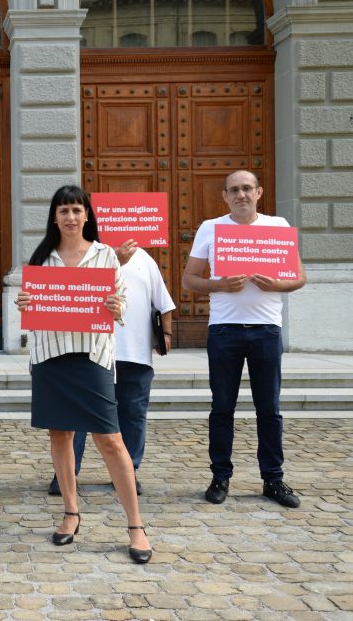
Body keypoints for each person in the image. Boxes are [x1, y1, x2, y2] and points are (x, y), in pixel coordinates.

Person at [17, 184, 152, 564]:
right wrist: (24, 302)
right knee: (60, 434)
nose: (71, 217)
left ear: (87, 215)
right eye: (64, 211)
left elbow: (120, 301)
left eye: (77, 210)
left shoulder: (105, 254)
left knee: (110, 440)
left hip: (92, 357)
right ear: (54, 217)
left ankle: (135, 526)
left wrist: (114, 304)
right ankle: (71, 513)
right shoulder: (43, 257)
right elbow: (32, 305)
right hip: (50, 357)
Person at [182, 170, 307, 508]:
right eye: (234, 190)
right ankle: (220, 477)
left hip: (266, 329)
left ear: (259, 192)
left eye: (247, 188)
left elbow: (299, 277)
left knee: (270, 408)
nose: (241, 195)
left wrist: (276, 286)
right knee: (222, 407)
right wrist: (219, 285)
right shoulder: (211, 227)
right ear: (224, 196)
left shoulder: (278, 226)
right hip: (225, 329)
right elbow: (189, 279)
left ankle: (274, 479)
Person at [49, 241, 176, 497]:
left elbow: (164, 303)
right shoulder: (84, 255)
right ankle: (66, 474)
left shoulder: (145, 259)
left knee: (133, 415)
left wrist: (167, 333)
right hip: (92, 351)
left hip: (135, 352)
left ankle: (128, 473)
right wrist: (113, 259)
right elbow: (68, 293)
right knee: (78, 416)